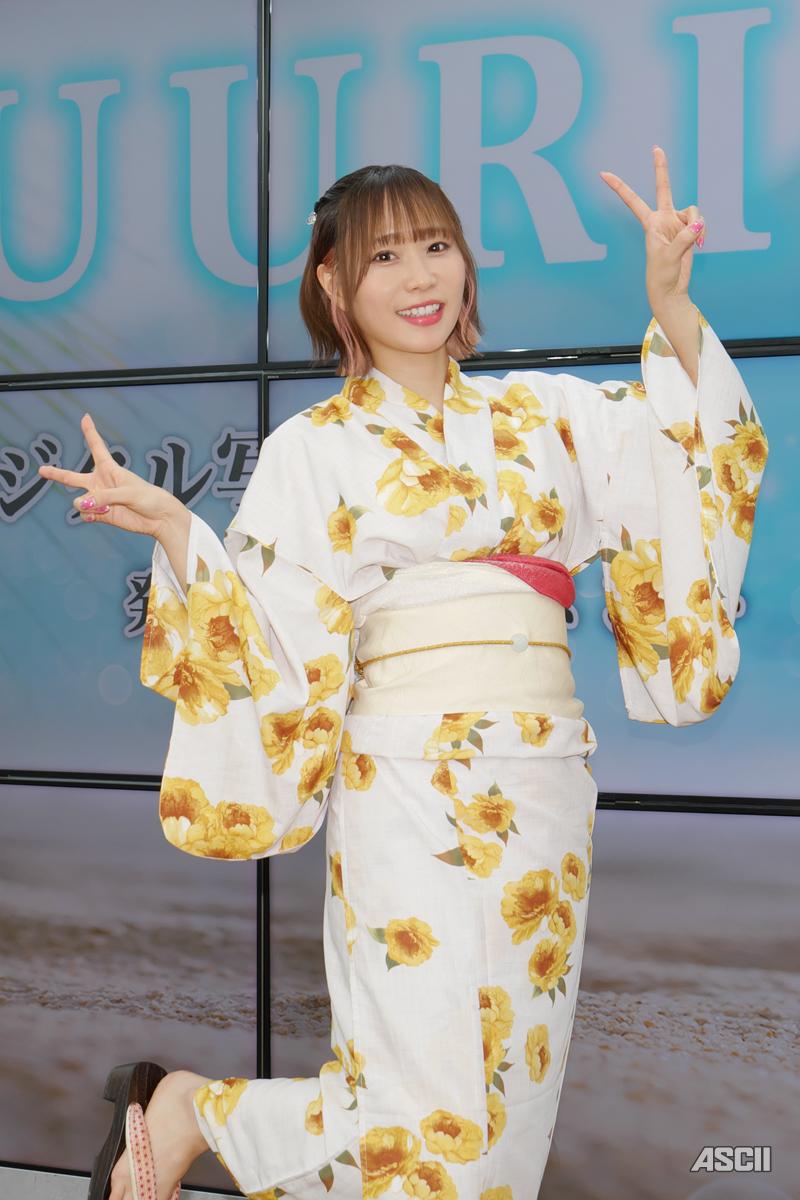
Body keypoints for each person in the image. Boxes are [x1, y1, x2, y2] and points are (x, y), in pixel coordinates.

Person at [40, 152, 767, 1200]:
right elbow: (268, 630)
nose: (420, 275)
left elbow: (693, 453)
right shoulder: (312, 450)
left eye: (436, 246)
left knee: (509, 1114)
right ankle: (198, 1111)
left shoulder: (547, 414)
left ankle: (197, 1111)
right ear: (334, 285)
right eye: (384, 256)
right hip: (403, 788)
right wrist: (179, 533)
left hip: (542, 784)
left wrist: (669, 301)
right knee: (421, 1116)